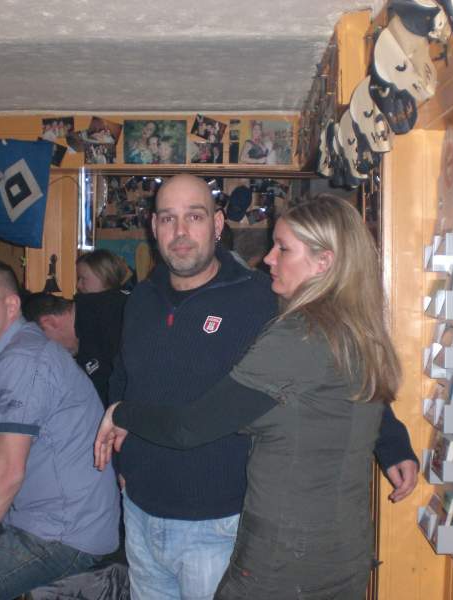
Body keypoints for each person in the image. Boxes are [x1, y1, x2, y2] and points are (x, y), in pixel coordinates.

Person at [96, 175, 417, 600]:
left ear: (217, 224)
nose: (180, 231)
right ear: (153, 227)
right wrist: (124, 459)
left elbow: (338, 375)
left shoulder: (269, 299)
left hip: (219, 522)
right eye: (168, 218)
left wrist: (390, 442)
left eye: (194, 217)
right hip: (140, 510)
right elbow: (124, 377)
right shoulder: (139, 298)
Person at [0, 258, 120, 600]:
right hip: (48, 520)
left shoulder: (23, 359)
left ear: (11, 305)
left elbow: (7, 473)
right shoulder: (22, 348)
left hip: (62, 533)